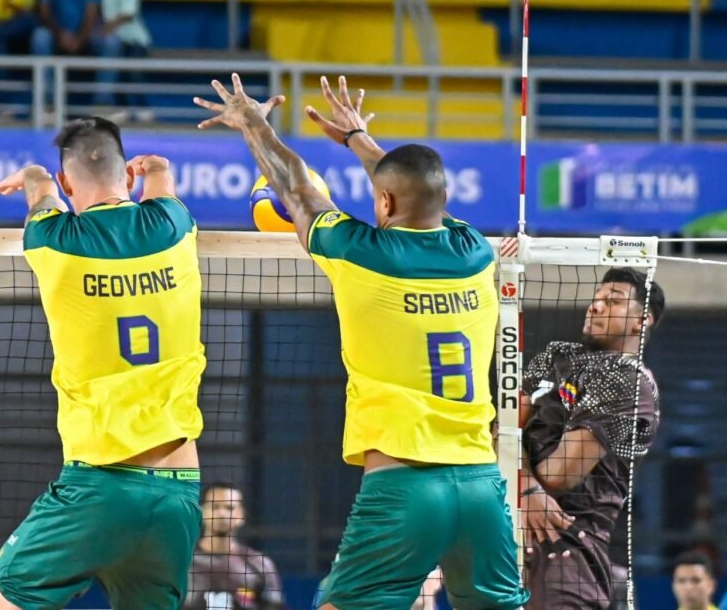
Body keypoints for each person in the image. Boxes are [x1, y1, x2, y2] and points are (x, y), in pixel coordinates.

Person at [193, 74, 528, 610]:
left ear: (385, 200)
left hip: (405, 486)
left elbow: (297, 189)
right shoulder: (473, 251)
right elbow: (409, 190)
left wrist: (252, 123)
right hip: (482, 487)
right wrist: (358, 141)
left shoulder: (360, 252)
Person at [0, 117, 206, 610]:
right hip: (179, 495)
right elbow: (162, 185)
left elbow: (41, 198)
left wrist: (35, 174)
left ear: (68, 182)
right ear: (128, 176)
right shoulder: (174, 227)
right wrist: (158, 168)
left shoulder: (54, 240)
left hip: (101, 485)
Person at [515, 259, 664, 610]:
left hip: (564, 550)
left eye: (613, 301)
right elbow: (500, 431)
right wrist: (525, 486)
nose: (595, 306)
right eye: (596, 298)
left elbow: (559, 475)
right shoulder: (557, 355)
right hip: (507, 543)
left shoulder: (630, 381)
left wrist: (521, 468)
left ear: (642, 321)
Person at [183, 483, 285, 610]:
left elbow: (274, 607)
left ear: (241, 515)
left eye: (229, 508)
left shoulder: (260, 565)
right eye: (215, 507)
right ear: (202, 512)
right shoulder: (181, 561)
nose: (221, 513)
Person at [101, 0, 154, 122]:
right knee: (117, 73)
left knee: (134, 73)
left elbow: (128, 13)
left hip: (134, 40)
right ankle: (120, 108)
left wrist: (110, 27)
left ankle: (142, 108)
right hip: (115, 40)